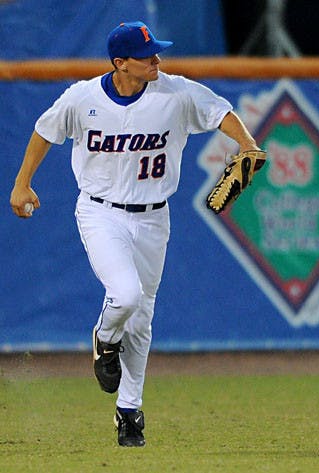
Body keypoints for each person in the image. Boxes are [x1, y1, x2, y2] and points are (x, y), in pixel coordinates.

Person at [9, 21, 262, 447]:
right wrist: (22, 183)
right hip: (100, 212)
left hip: (153, 218)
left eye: (156, 52)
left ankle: (129, 412)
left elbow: (220, 111)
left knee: (142, 319)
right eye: (147, 56)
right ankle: (105, 338)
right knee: (125, 295)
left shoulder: (174, 93)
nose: (157, 60)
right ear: (120, 63)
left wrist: (249, 145)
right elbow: (44, 130)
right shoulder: (83, 98)